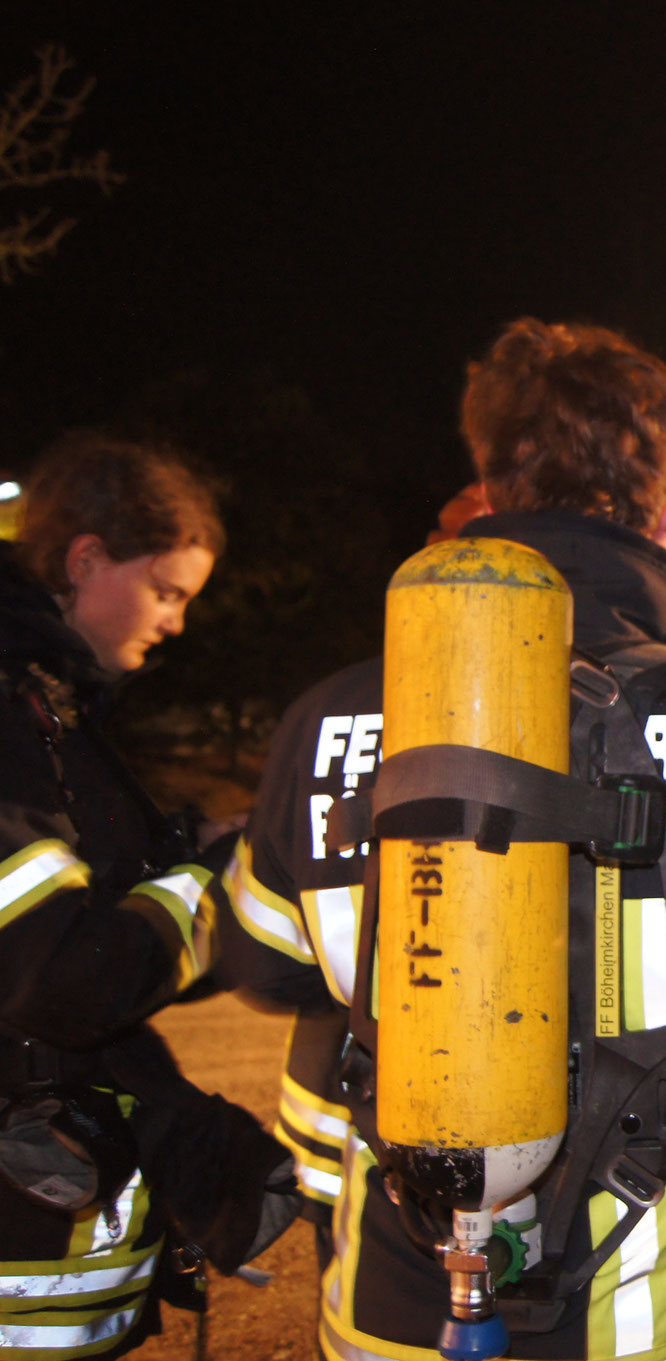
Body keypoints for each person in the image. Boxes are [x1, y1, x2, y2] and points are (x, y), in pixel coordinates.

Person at [218, 320, 666, 1361]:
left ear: (488, 485)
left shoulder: (328, 717)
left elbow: (264, 965)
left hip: (390, 1319)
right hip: (652, 1326)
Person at [2, 434, 295, 1358]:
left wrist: (185, 849)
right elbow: (72, 978)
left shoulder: (51, 707)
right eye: (166, 591)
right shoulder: (12, 715)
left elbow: (107, 907)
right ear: (86, 559)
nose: (176, 623)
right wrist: (215, 877)